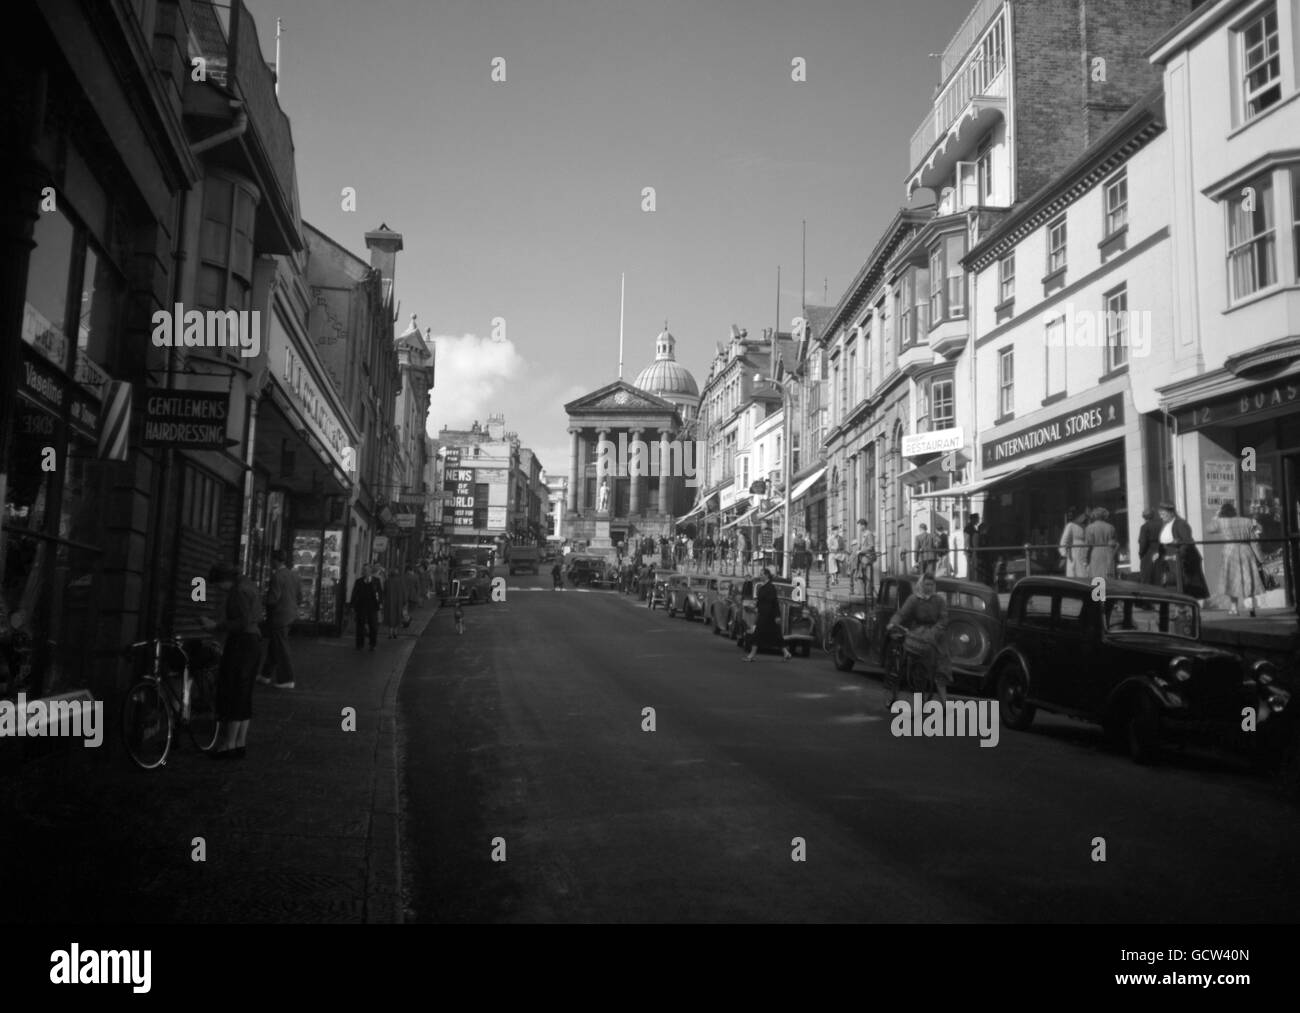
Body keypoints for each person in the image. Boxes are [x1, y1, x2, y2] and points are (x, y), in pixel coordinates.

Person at [199, 561, 262, 759]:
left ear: (225, 579)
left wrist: (215, 626)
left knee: (234, 691)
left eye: (218, 584)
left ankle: (229, 744)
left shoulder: (238, 591)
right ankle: (239, 742)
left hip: (241, 644)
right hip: (253, 642)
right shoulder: (249, 584)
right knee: (244, 693)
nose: (220, 589)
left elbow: (242, 621)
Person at [886, 571, 950, 706]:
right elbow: (902, 613)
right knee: (911, 666)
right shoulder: (914, 599)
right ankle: (904, 696)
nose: (929, 587)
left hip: (937, 637)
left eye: (931, 584)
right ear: (921, 584)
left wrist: (933, 632)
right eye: (927, 584)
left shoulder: (939, 600)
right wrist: (893, 622)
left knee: (941, 669)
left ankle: (945, 704)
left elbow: (943, 620)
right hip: (918, 635)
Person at [258, 549, 300, 690]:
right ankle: (265, 674)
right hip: (290, 614)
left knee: (281, 647)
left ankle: (287, 678)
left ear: (275, 560)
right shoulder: (294, 575)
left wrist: (262, 600)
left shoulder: (277, 576)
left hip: (279, 616)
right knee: (275, 645)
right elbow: (299, 596)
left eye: (272, 560)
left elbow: (273, 599)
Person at [1210, 501, 1260, 616]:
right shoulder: (1246, 521)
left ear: (1222, 513)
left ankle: (1234, 608)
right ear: (1234, 512)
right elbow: (1255, 535)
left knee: (1232, 580)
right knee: (1248, 579)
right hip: (1245, 549)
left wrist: (1216, 516)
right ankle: (1251, 606)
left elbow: (1209, 529)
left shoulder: (1221, 522)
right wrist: (1259, 557)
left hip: (1230, 551)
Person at [1156, 501, 1209, 599]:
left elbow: (1187, 541)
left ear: (1171, 513)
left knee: (1189, 586)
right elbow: (1164, 542)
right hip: (1171, 560)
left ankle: (1193, 605)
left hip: (1184, 560)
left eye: (1163, 514)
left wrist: (1177, 555)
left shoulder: (1181, 524)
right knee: (1175, 585)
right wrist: (1159, 554)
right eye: (1160, 514)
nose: (1161, 516)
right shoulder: (1165, 525)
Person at [743, 568, 791, 662]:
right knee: (776, 635)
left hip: (768, 615)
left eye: (762, 574)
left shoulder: (770, 588)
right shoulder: (762, 587)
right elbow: (760, 601)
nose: (760, 576)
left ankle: (751, 655)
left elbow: (774, 602)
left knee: (757, 634)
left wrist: (777, 616)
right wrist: (755, 606)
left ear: (766, 575)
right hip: (763, 614)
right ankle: (786, 653)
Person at [349, 564, 382, 650]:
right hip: (361, 606)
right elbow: (354, 593)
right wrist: (352, 605)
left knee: (373, 626)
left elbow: (380, 593)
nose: (365, 572)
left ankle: (372, 644)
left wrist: (380, 603)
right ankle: (359, 644)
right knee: (360, 625)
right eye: (363, 570)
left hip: (372, 606)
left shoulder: (376, 581)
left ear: (370, 571)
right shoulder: (359, 581)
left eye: (366, 570)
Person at [1084, 507, 1119, 580]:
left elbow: (1088, 545)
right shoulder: (1110, 527)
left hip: (1096, 553)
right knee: (1108, 575)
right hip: (1108, 552)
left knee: (1096, 576)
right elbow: (1113, 543)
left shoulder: (1090, 527)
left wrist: (1085, 559)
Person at [1059, 508, 1088, 577]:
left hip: (1084, 551)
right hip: (1074, 551)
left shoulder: (1085, 526)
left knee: (1084, 571)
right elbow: (1064, 540)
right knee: (1074, 571)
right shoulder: (1071, 525)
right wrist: (1064, 554)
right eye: (1082, 515)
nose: (1084, 518)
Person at [852, 519, 877, 598]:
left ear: (863, 526)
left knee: (867, 575)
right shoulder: (863, 534)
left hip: (867, 557)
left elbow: (871, 546)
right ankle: (862, 591)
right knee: (860, 574)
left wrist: (861, 551)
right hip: (863, 557)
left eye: (859, 526)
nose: (859, 528)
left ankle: (868, 592)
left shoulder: (869, 534)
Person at [1137, 507, 1162, 584]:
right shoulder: (1161, 525)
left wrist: (1141, 553)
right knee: (1159, 577)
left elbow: (1143, 542)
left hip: (1148, 553)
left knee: (1147, 579)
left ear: (1144, 517)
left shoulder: (1145, 527)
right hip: (1160, 551)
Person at [382, 564, 406, 638]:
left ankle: (390, 632)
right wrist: (404, 601)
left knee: (390, 616)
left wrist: (383, 601)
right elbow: (404, 592)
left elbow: (384, 592)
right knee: (397, 616)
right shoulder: (400, 581)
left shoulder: (387, 581)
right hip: (398, 602)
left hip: (389, 602)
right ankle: (395, 632)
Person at [964, 512, 982, 582]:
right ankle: (972, 581)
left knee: (973, 568)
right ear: (973, 519)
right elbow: (966, 540)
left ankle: (972, 580)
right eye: (977, 518)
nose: (978, 520)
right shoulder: (969, 528)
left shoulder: (972, 527)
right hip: (971, 551)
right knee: (972, 568)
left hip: (972, 550)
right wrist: (969, 550)